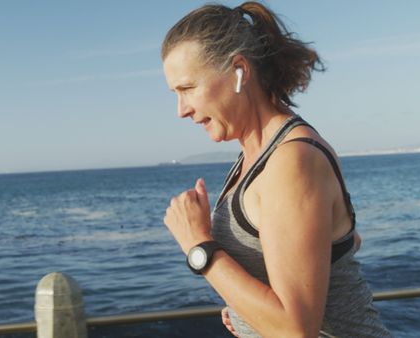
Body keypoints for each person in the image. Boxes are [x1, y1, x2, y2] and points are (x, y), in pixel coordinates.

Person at [161, 2, 391, 337]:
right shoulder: (254, 157)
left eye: (187, 88)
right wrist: (248, 312)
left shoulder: (291, 159)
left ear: (239, 70)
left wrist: (199, 247)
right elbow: (343, 243)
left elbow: (296, 330)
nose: (181, 110)